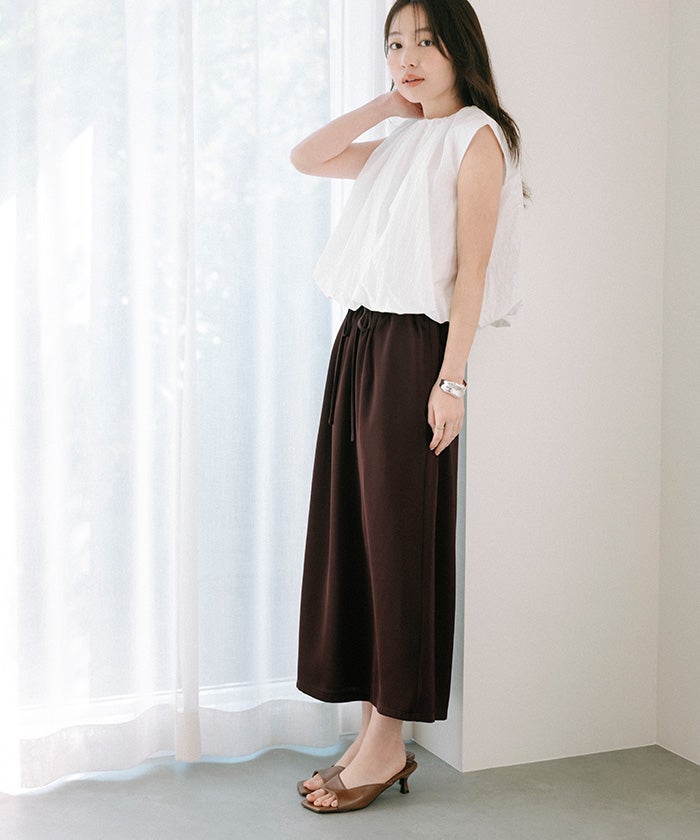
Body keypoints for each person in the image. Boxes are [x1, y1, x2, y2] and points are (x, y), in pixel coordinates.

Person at [290, 0, 524, 814]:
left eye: (426, 41)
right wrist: (387, 104)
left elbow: (473, 272)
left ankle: (389, 743)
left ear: (460, 47)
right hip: (360, 342)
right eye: (395, 43)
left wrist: (451, 381)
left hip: (414, 351)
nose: (409, 57)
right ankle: (369, 734)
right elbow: (306, 157)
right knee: (358, 538)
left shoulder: (477, 138)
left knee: (396, 543)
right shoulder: (402, 138)